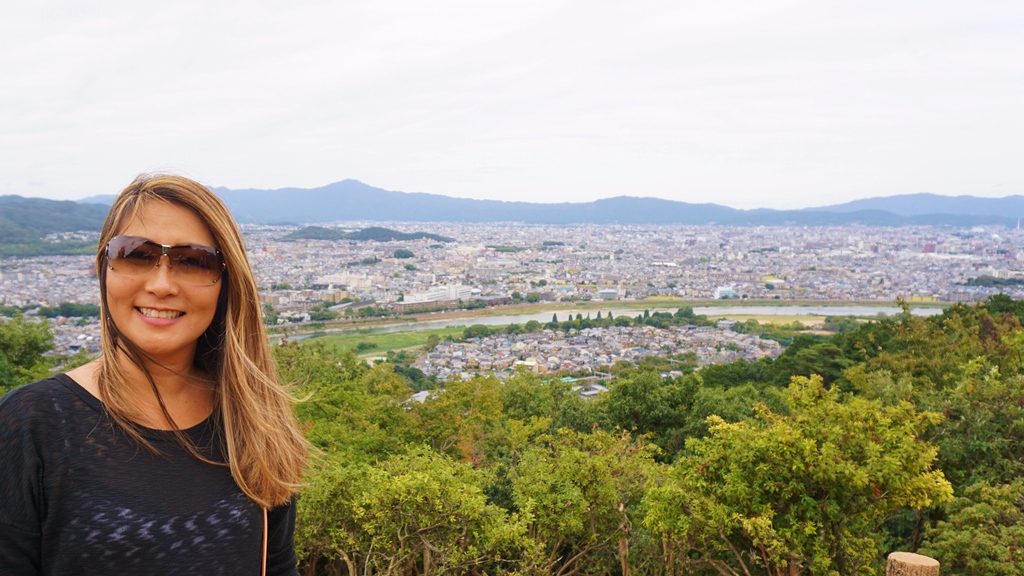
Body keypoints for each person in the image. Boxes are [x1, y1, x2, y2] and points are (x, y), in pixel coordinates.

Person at [0, 174, 308, 575]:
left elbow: (279, 566)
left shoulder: (253, 419)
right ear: (104, 268)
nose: (161, 284)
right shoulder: (30, 424)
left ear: (226, 282)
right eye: (135, 254)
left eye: (194, 260)